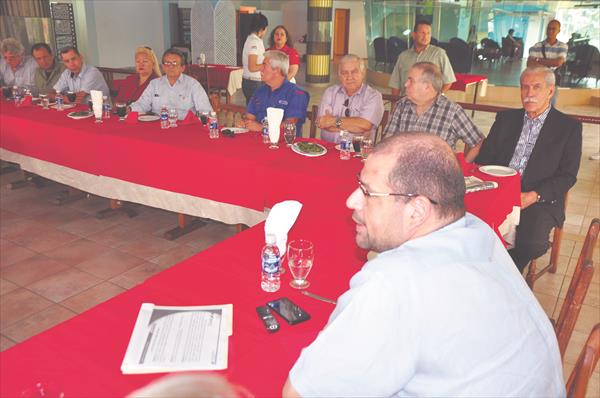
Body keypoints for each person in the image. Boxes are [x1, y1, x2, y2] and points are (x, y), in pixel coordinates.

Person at [282, 132, 565, 397]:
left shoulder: (394, 283)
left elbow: (302, 392)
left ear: (417, 210)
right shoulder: (478, 230)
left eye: (367, 192)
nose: (351, 200)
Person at [476, 66, 582, 272]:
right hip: (498, 191)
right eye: (524, 87)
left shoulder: (568, 128)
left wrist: (534, 195)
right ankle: (489, 273)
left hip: (538, 198)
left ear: (550, 91)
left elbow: (568, 175)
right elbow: (485, 158)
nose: (529, 93)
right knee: (470, 226)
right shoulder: (506, 119)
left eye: (536, 87)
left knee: (530, 243)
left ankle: (505, 276)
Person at [383, 62, 483, 162]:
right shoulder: (402, 105)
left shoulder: (452, 111)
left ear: (427, 86)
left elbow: (478, 142)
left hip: (437, 174)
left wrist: (461, 169)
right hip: (403, 170)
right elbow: (388, 141)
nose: (405, 84)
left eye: (411, 81)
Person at [316, 54, 383, 144]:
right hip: (328, 148)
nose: (349, 77)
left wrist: (333, 121)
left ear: (363, 73)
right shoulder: (330, 92)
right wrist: (354, 126)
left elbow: (364, 126)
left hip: (358, 152)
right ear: (339, 75)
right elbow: (323, 123)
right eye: (344, 73)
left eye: (354, 72)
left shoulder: (373, 96)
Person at [131, 48, 212, 119]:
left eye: (174, 63)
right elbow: (142, 104)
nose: (170, 67)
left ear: (182, 68)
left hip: (184, 127)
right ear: (163, 67)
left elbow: (205, 110)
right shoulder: (154, 84)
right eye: (167, 63)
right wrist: (129, 109)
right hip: (159, 126)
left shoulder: (193, 85)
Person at [240, 50, 308, 134]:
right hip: (258, 140)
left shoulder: (296, 94)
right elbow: (249, 118)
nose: (260, 68)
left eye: (264, 65)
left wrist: (262, 128)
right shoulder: (259, 92)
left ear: (277, 70)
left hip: (285, 143)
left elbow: (289, 124)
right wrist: (244, 123)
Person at [388, 20, 455, 97]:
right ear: (414, 35)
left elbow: (449, 80)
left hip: (430, 104)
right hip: (407, 102)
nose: (425, 36)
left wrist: (438, 97)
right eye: (422, 33)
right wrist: (394, 106)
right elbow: (395, 84)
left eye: (428, 33)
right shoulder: (403, 56)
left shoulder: (439, 54)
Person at [527, 19, 568, 104]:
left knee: (551, 103)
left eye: (554, 29)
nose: (550, 31)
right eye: (549, 28)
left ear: (559, 31)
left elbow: (558, 63)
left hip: (553, 79)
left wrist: (538, 60)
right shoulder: (537, 46)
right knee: (536, 103)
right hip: (538, 79)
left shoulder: (562, 46)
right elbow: (530, 64)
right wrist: (551, 62)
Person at [242, 13, 268, 105]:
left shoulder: (249, 39)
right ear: (262, 28)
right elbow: (252, 67)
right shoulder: (255, 42)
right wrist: (265, 64)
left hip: (249, 81)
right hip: (254, 83)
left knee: (251, 110)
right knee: (255, 112)